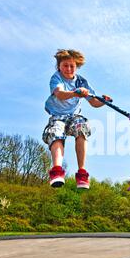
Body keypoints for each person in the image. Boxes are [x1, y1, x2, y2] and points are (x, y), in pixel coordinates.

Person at [42, 49, 111, 189]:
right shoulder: (56, 78)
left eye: (71, 66)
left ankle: (82, 173)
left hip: (74, 116)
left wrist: (104, 101)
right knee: (56, 133)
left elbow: (93, 102)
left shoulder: (81, 81)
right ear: (59, 66)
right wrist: (74, 93)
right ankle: (56, 171)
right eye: (65, 65)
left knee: (82, 128)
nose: (68, 69)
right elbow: (60, 94)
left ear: (76, 67)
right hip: (57, 116)